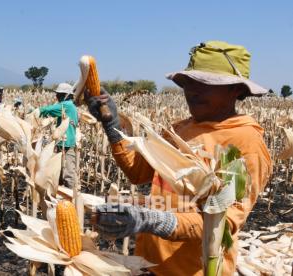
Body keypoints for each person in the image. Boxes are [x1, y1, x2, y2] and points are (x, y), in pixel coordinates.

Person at [86, 41, 272, 275]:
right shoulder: (179, 129)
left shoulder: (246, 142)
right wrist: (113, 126)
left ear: (237, 90)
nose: (193, 91)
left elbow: (224, 223)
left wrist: (152, 220)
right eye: (188, 83)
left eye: (205, 84)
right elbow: (138, 173)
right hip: (150, 263)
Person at [39, 83, 79, 188]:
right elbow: (52, 113)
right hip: (63, 143)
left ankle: (71, 197)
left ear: (65, 95)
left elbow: (48, 110)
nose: (56, 96)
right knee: (59, 171)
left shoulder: (67, 105)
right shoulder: (69, 105)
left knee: (68, 173)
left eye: (59, 94)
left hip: (67, 143)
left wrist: (35, 112)